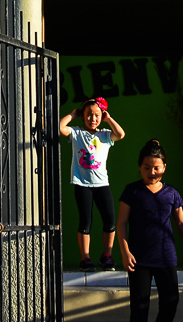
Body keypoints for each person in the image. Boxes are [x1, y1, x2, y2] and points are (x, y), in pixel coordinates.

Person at [117, 140, 183, 322]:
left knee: (170, 302)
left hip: (165, 257)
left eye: (156, 168)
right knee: (139, 307)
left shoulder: (171, 193)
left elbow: (182, 223)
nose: (152, 172)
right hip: (139, 259)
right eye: (147, 168)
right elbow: (122, 222)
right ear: (139, 167)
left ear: (164, 167)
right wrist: (125, 251)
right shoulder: (132, 191)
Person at [58, 97, 126, 270]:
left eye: (97, 115)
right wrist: (72, 115)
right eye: (89, 115)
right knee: (85, 222)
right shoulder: (77, 133)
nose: (93, 119)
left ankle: (107, 256)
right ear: (83, 116)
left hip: (102, 184)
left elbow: (120, 134)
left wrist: (108, 118)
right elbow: (61, 128)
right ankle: (85, 258)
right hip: (82, 184)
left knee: (110, 220)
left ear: (101, 116)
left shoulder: (104, 135)